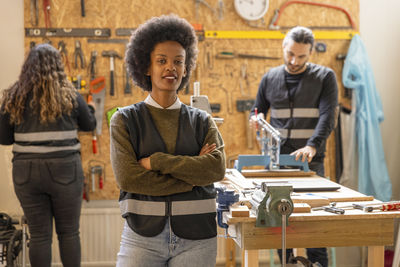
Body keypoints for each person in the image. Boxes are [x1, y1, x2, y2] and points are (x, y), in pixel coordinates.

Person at [110, 14, 226, 267]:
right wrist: (193, 174)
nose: (170, 68)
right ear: (146, 67)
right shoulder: (124, 120)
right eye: (161, 61)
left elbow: (216, 169)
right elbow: (129, 178)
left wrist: (157, 161)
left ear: (186, 68)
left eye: (178, 62)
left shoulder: (202, 120)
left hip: (198, 238)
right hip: (142, 238)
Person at [0, 43, 96, 267]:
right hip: (65, 170)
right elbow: (89, 123)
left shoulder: (14, 96)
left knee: (40, 235)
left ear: (28, 67)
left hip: (27, 173)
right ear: (58, 66)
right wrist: (89, 106)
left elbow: (3, 138)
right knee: (69, 233)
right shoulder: (70, 94)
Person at [250, 26, 338, 267]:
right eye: (290, 54)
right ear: (283, 48)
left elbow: (328, 116)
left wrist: (312, 146)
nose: (294, 61)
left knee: (314, 226)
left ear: (311, 53)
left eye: (301, 56)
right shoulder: (270, 78)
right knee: (280, 225)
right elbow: (256, 110)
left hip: (310, 163)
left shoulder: (324, 77)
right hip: (277, 164)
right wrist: (255, 121)